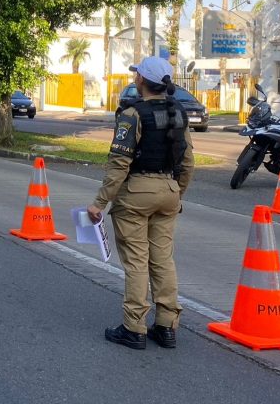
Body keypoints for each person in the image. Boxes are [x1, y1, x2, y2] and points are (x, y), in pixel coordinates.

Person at [86, 56, 195, 350]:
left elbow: (119, 164)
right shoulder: (178, 113)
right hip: (169, 190)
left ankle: (134, 328)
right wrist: (177, 193)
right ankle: (166, 326)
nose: (134, 79)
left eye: (136, 75)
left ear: (141, 81)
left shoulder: (133, 114)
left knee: (136, 261)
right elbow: (188, 162)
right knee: (162, 259)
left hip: (136, 193)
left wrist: (99, 203)